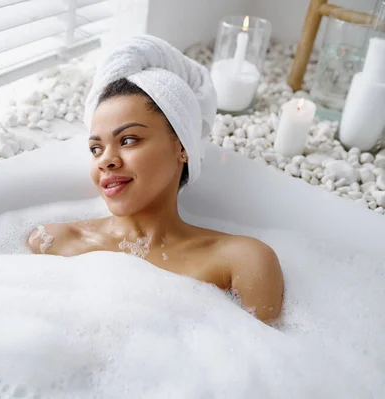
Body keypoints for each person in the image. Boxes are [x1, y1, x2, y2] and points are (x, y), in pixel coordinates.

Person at [28, 36, 283, 323]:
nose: (105, 160)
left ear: (183, 147)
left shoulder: (243, 261)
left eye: (128, 139)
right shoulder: (53, 242)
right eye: (95, 148)